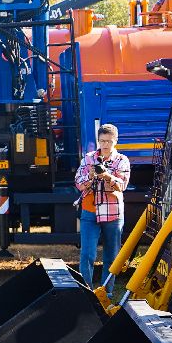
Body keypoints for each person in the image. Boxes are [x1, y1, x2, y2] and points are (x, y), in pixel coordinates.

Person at [75, 123, 132, 288]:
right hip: (89, 211)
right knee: (87, 255)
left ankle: (106, 293)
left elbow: (122, 185)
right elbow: (78, 182)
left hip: (112, 213)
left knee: (111, 257)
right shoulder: (88, 158)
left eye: (109, 141)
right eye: (102, 141)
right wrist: (90, 176)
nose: (105, 145)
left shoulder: (122, 160)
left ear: (116, 141)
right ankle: (86, 291)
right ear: (98, 141)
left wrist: (107, 176)